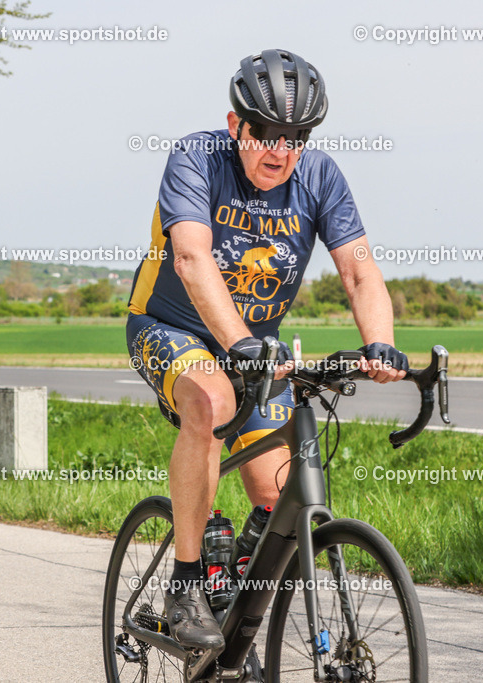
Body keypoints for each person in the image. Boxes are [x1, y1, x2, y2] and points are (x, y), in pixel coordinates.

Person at [126, 49, 409, 650]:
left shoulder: (320, 177)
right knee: (209, 401)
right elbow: (191, 257)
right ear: (236, 126)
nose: (280, 150)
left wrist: (380, 343)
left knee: (281, 495)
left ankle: (236, 583)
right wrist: (241, 346)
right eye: (266, 134)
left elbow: (358, 271)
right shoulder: (196, 158)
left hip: (257, 347)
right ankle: (184, 584)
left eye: (296, 137)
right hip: (169, 328)